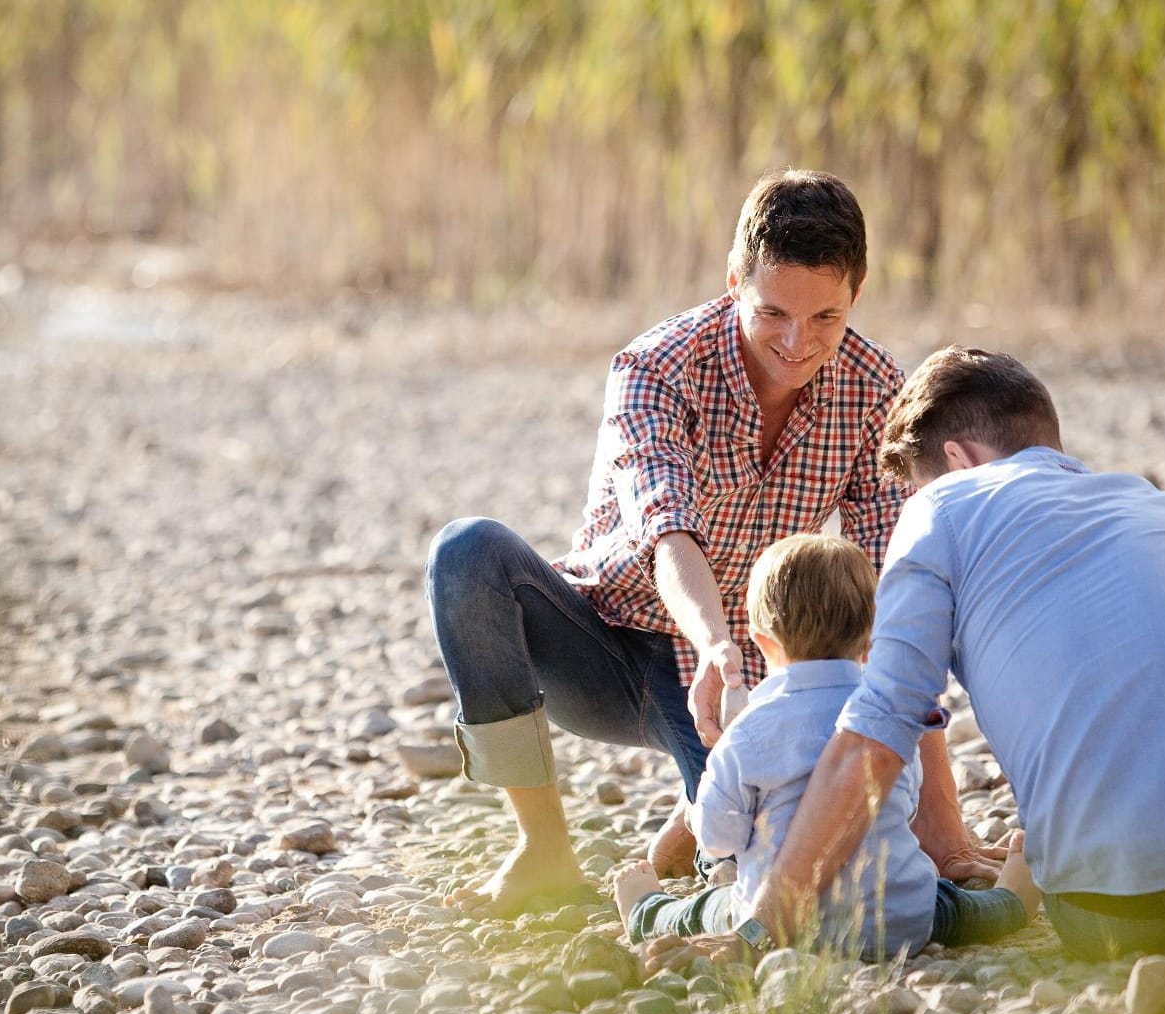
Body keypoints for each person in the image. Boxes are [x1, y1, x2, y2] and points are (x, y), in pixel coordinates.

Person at [673, 346, 1165, 964]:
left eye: (910, 489)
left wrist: (760, 931)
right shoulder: (1158, 505)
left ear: (958, 460)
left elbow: (876, 737)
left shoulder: (940, 512)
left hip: (1100, 917)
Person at [424, 171, 1004, 917]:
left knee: (750, 875)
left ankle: (684, 821)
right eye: (773, 313)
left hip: (746, 686)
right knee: (466, 552)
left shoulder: (873, 387)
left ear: (857, 293)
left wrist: (943, 831)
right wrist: (714, 644)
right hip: (606, 642)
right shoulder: (655, 368)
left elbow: (895, 603)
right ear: (735, 282)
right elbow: (667, 530)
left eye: (825, 316)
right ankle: (541, 849)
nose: (798, 343)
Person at [613, 534, 1037, 958]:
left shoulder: (750, 730)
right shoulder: (889, 716)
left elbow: (717, 838)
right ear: (872, 640)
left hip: (781, 926)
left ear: (763, 644)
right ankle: (1013, 901)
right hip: (899, 921)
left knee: (708, 909)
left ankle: (647, 911)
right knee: (954, 908)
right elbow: (905, 804)